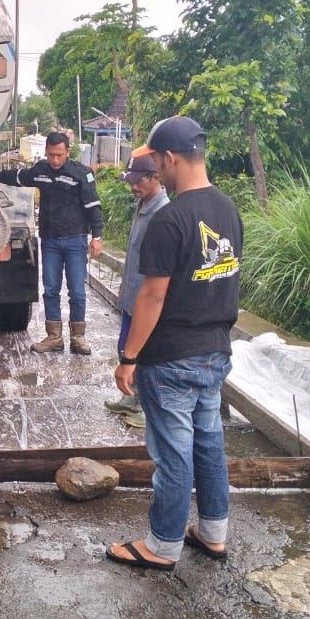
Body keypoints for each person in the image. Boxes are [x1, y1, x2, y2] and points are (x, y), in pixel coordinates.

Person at [105, 116, 242, 573]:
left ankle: (162, 546)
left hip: (172, 358)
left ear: (169, 158)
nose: (156, 172)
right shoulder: (228, 209)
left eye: (157, 163)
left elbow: (153, 296)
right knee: (209, 445)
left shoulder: (170, 218)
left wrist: (129, 358)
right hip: (215, 351)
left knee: (174, 454)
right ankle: (213, 534)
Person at [0, 131, 103, 354]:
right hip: (50, 241)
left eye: (59, 155)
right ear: (46, 152)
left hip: (75, 240)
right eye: (51, 154)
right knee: (51, 289)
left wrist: (97, 237)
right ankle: (54, 337)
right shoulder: (41, 171)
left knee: (77, 291)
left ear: (68, 152)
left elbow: (93, 206)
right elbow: (17, 177)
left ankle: (78, 338)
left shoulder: (81, 173)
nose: (55, 159)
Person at [104, 151, 169, 421]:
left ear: (155, 177)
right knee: (126, 347)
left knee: (144, 353)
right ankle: (131, 399)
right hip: (132, 295)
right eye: (130, 180)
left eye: (138, 180)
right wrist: (125, 285)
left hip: (147, 299)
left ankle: (145, 408)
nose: (132, 186)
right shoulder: (143, 204)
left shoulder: (162, 214)